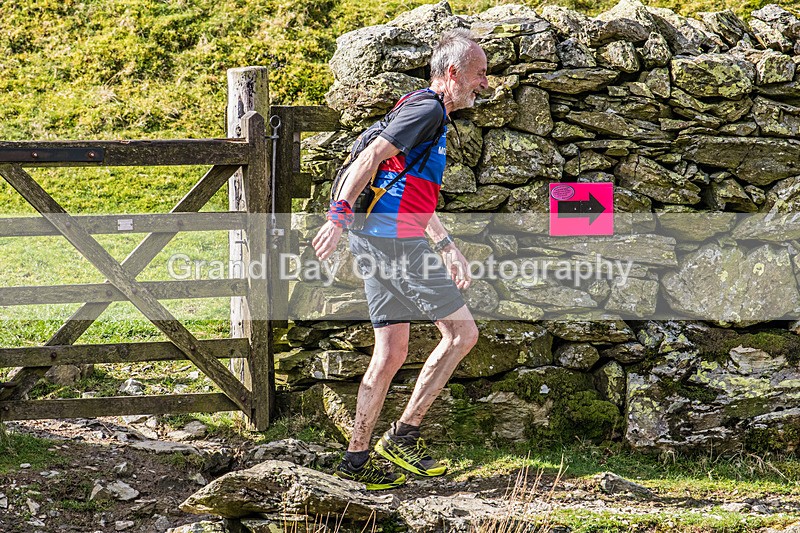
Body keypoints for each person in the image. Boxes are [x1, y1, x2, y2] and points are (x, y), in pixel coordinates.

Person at [312, 28, 489, 490]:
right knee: (462, 333)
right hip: (393, 245)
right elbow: (370, 156)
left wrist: (447, 246)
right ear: (452, 73)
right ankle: (403, 437)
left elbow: (408, 191)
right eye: (479, 74)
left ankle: (355, 462)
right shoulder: (427, 109)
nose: (484, 84)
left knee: (391, 352)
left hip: (381, 240)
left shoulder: (427, 112)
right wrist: (337, 215)